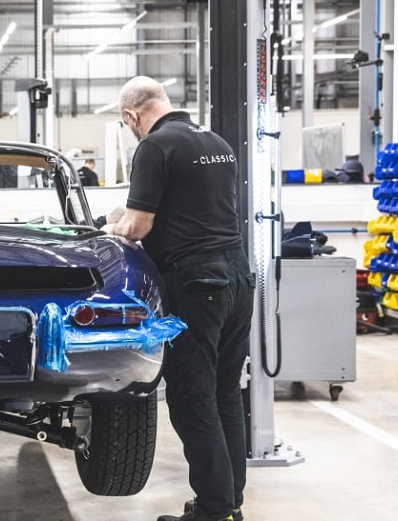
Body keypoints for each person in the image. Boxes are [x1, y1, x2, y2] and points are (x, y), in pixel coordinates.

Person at [106, 76, 253, 521]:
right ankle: (229, 504)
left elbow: (138, 228)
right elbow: (194, 208)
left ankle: (211, 510)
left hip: (196, 285)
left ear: (132, 115)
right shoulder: (217, 142)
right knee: (226, 391)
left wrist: (107, 227)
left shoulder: (154, 147)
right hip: (237, 277)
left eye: (125, 122)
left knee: (191, 398)